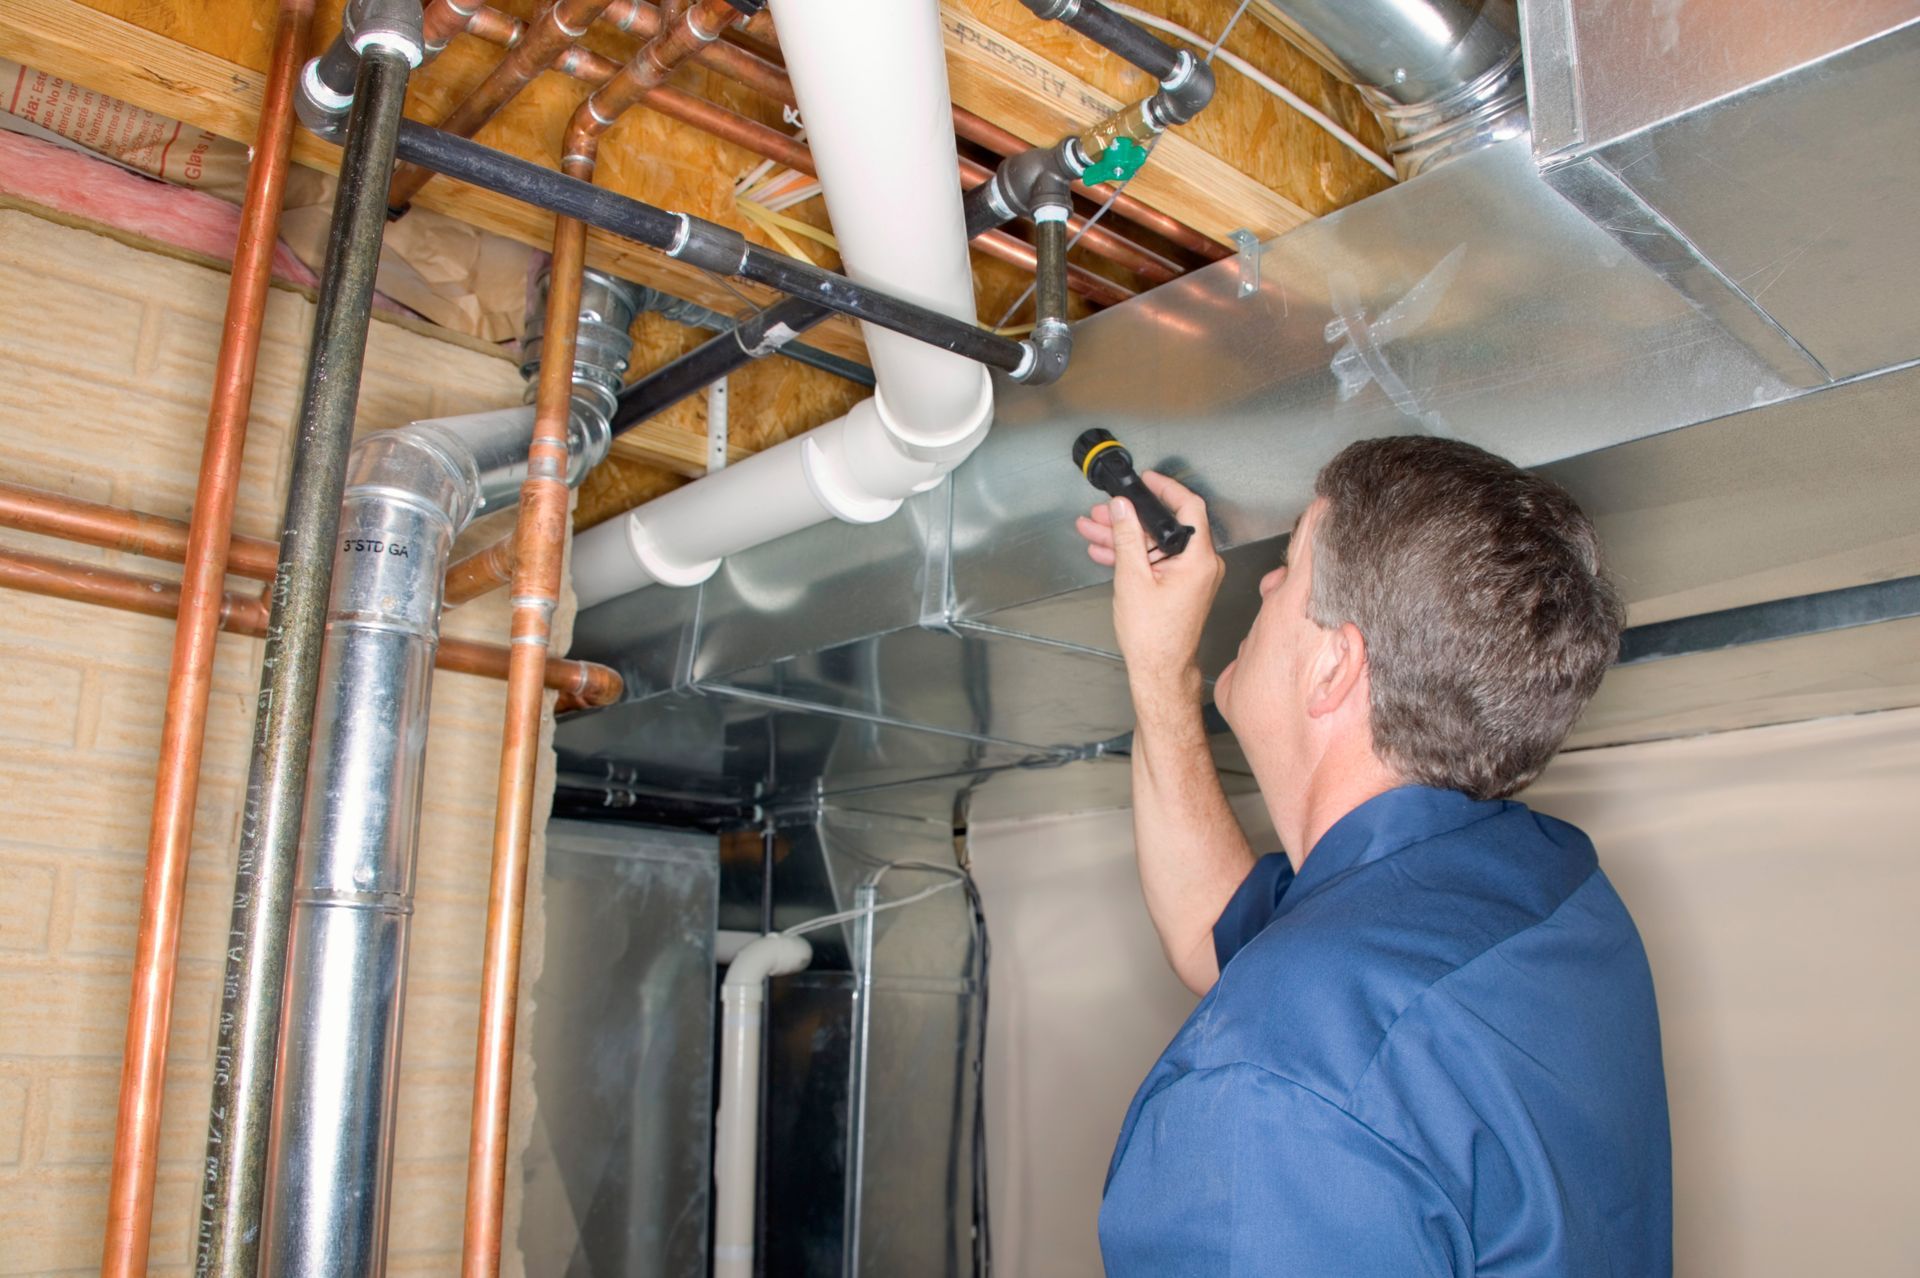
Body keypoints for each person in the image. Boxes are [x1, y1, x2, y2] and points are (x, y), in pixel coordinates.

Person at [1074, 436, 1671, 1276]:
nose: (1267, 583)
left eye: (1288, 565)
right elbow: (1219, 932)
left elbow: (1299, 1030)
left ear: (1335, 665)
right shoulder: (1549, 886)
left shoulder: (1264, 1093)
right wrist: (1159, 666)